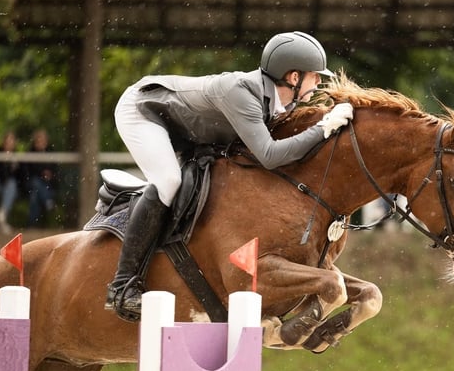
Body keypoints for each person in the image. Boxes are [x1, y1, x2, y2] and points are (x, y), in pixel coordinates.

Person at [106, 31, 353, 321]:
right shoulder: (243, 94)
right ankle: (123, 286)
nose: (319, 83)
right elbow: (270, 156)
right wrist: (323, 128)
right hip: (143, 111)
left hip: (185, 126)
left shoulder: (279, 103)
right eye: (315, 76)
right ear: (294, 77)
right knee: (168, 181)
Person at [24, 128, 57, 227]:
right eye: (38, 140)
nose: (40, 142)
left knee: (35, 195)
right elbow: (27, 173)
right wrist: (41, 174)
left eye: (43, 140)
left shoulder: (51, 153)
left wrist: (50, 175)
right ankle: (48, 201)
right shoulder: (29, 153)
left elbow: (56, 171)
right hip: (31, 184)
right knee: (35, 182)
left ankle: (32, 225)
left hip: (48, 186)